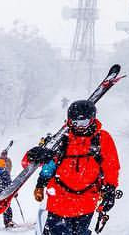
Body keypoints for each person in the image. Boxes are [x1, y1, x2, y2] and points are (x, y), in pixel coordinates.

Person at [27, 100, 120, 235]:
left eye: (84, 122)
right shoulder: (61, 139)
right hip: (59, 202)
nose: (79, 127)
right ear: (70, 121)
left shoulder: (102, 139)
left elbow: (111, 167)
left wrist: (110, 190)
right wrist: (35, 157)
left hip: (86, 203)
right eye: (75, 123)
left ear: (92, 119)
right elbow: (43, 165)